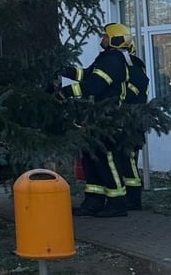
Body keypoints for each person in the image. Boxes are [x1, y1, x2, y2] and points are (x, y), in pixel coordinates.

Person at [56, 23, 133, 217]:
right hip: (95, 119)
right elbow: (86, 74)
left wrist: (65, 92)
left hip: (108, 119)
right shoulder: (106, 58)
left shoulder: (114, 61)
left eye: (106, 36)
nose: (102, 39)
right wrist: (64, 70)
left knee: (107, 159)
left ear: (114, 40)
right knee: (91, 159)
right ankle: (93, 200)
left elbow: (94, 85)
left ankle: (117, 203)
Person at [120, 42, 150, 210]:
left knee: (129, 161)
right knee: (125, 161)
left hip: (132, 123)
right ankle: (128, 197)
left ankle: (133, 199)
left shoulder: (135, 71)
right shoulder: (133, 69)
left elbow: (128, 95)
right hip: (127, 122)